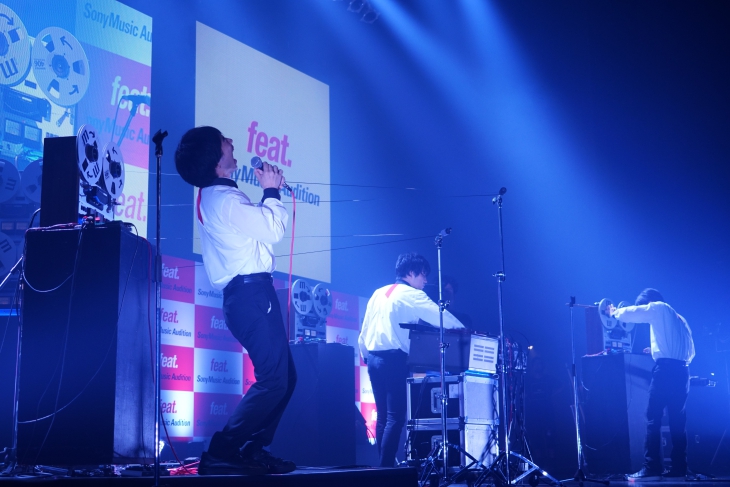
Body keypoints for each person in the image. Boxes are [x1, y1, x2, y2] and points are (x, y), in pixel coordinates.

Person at [174, 126, 296, 476]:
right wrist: (270, 190)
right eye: (224, 140)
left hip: (248, 296)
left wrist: (268, 194)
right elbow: (273, 230)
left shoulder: (215, 196)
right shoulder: (225, 199)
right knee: (275, 380)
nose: (231, 142)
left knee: (285, 377)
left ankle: (250, 449)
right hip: (251, 295)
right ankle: (224, 450)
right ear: (215, 159)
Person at [358, 252, 465, 467]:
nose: (425, 280)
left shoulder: (378, 293)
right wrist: (464, 330)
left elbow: (363, 333)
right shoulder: (412, 295)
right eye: (423, 274)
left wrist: (367, 357)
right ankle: (386, 469)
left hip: (374, 359)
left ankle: (383, 467)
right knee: (395, 417)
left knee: (383, 417)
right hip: (394, 360)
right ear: (411, 272)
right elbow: (441, 317)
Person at [608, 288, 695, 480]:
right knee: (678, 421)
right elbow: (690, 350)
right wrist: (658, 350)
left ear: (649, 302)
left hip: (666, 371)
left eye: (644, 305)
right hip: (683, 371)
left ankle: (652, 468)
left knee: (653, 418)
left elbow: (634, 313)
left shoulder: (659, 307)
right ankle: (679, 468)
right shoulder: (680, 318)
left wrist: (614, 312)